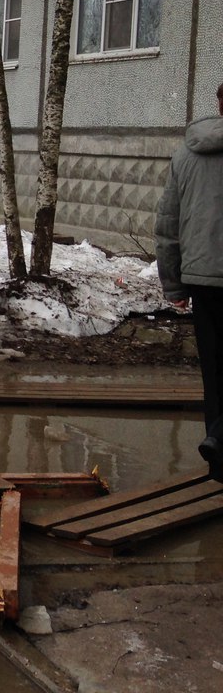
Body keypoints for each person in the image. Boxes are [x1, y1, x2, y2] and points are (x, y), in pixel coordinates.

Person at [155, 81, 223, 482]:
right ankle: (218, 439)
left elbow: (168, 223)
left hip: (201, 277)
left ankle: (217, 461)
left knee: (213, 369)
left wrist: (174, 284)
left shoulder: (186, 153)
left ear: (218, 104)